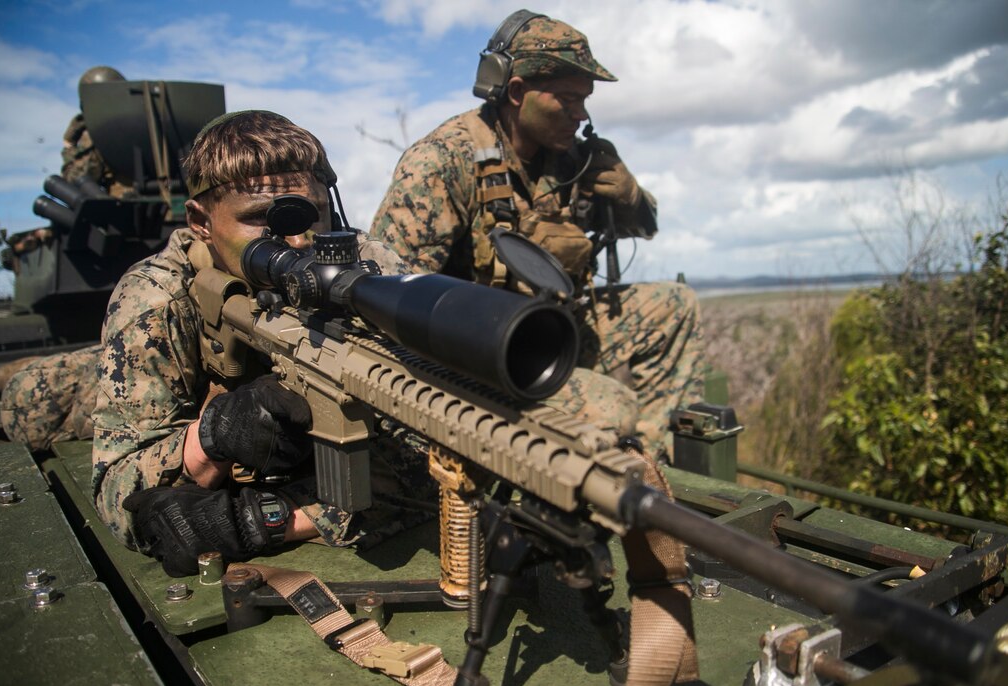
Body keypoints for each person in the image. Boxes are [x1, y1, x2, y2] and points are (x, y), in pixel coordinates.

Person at [89, 110, 637, 577]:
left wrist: (275, 517)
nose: (296, 242)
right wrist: (213, 436)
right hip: (167, 391)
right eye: (260, 220)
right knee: (35, 400)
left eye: (310, 215)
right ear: (201, 222)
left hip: (315, 453)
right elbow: (118, 491)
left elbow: (421, 429)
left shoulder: (362, 266)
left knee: (599, 406)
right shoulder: (156, 299)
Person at [372, 10, 704, 461]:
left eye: (584, 101)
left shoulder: (570, 161)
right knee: (612, 404)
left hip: (550, 329)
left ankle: (650, 466)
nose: (580, 114)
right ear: (515, 92)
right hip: (475, 357)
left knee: (676, 307)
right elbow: (390, 296)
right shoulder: (442, 161)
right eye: (567, 100)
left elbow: (643, 227)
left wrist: (632, 198)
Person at [61, 66, 134, 198]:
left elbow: (78, 178)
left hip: (127, 209)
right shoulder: (152, 122)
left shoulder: (100, 132)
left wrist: (68, 147)